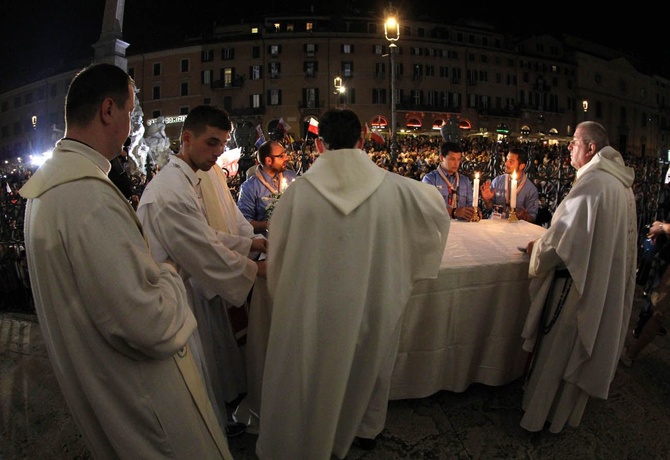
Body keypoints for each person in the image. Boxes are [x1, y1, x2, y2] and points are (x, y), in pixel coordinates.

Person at [18, 63, 233, 458]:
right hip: (141, 398)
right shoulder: (88, 198)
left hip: (103, 385)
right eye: (131, 113)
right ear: (107, 110)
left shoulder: (48, 189)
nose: (133, 126)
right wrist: (168, 273)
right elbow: (148, 322)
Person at [256, 108, 451, 459]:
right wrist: (414, 266)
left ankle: (315, 435)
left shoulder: (298, 195)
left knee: (315, 370)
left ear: (318, 145)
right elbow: (438, 216)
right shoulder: (398, 188)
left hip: (316, 309)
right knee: (371, 364)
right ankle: (366, 428)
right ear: (363, 139)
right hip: (374, 305)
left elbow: (279, 260)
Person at [136, 105, 267, 436]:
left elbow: (204, 234)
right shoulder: (170, 192)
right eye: (212, 143)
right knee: (195, 379)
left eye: (222, 144)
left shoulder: (187, 179)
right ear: (187, 137)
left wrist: (251, 244)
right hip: (176, 296)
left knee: (209, 371)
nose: (218, 152)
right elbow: (203, 251)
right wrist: (256, 270)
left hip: (191, 287)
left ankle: (218, 425)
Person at [519, 121, 637, 433]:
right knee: (574, 356)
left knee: (557, 356)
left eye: (574, 141)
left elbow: (560, 244)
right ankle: (560, 415)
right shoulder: (622, 186)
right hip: (599, 286)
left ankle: (538, 417)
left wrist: (537, 250)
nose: (569, 147)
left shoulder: (594, 184)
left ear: (591, 148)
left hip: (574, 289)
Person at [237, 140, 298, 235]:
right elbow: (244, 223)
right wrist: (268, 225)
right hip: (268, 244)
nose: (287, 158)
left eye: (285, 154)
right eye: (281, 156)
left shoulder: (292, 177)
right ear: (269, 161)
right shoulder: (249, 187)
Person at [422, 141, 480, 221]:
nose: (456, 163)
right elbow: (428, 206)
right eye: (452, 159)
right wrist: (453, 212)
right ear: (442, 158)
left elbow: (470, 203)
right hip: (438, 226)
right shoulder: (430, 179)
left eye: (458, 159)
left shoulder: (464, 181)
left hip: (462, 227)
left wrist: (473, 212)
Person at [480, 147, 538, 223]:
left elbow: (532, 217)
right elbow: (489, 207)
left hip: (516, 228)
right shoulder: (498, 181)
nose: (506, 163)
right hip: (495, 224)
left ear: (521, 166)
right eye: (507, 160)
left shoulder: (530, 189)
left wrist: (524, 217)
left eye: (511, 162)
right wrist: (487, 200)